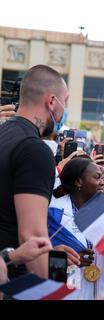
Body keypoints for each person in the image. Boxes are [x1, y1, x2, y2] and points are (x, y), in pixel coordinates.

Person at [0, 65, 69, 280]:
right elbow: (33, 237)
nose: (65, 111)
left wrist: (53, 254)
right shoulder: (34, 149)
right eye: (65, 102)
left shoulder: (3, 134)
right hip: (14, 281)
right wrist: (53, 290)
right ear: (51, 101)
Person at [48, 157, 104, 300]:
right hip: (69, 293)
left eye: (102, 177)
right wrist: (72, 263)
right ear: (78, 182)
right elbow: (45, 264)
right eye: (97, 178)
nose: (102, 182)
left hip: (101, 292)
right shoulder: (55, 213)